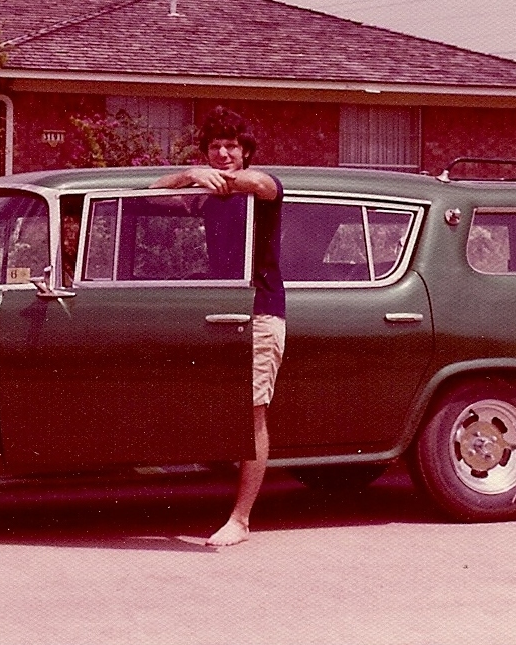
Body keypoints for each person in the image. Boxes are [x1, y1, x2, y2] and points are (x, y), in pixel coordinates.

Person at [152, 106, 284, 547]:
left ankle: (241, 521)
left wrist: (215, 178)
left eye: (231, 146)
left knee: (252, 413)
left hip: (259, 312)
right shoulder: (206, 191)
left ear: (245, 151)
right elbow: (150, 194)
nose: (223, 154)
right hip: (223, 311)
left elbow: (260, 184)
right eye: (214, 147)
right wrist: (190, 175)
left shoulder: (264, 187)